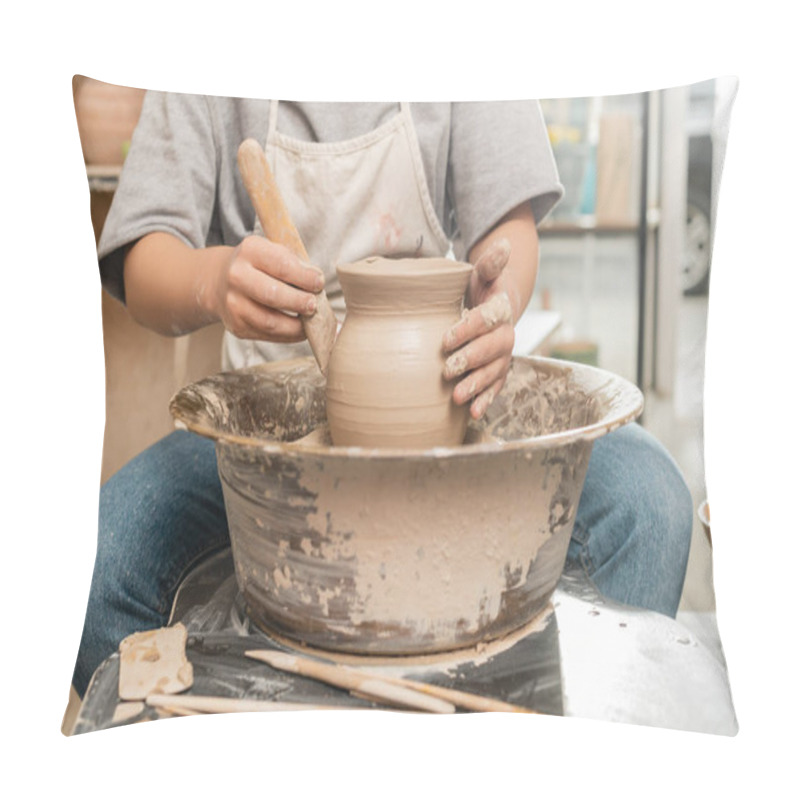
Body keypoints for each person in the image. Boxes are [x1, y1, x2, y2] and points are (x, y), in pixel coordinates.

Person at [71, 95, 692, 698]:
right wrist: (213, 280)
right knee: (91, 572)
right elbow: (142, 253)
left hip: (443, 394)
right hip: (267, 426)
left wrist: (499, 302)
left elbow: (509, 224)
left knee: (649, 501)